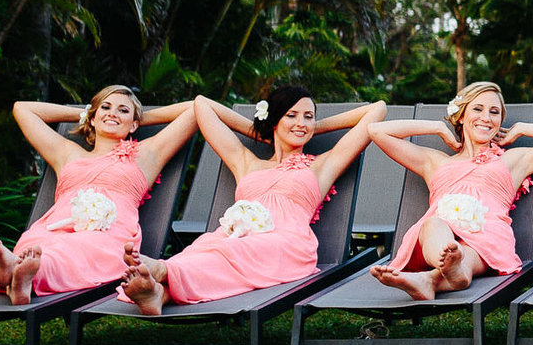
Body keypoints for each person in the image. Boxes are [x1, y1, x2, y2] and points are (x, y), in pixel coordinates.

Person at [0, 85, 200, 306]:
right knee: (39, 243)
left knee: (70, 251)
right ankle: (16, 273)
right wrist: (86, 113)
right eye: (105, 107)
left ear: (135, 124)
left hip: (107, 233)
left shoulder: (146, 155)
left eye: (122, 110)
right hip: (54, 227)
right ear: (92, 115)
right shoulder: (67, 153)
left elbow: (195, 108)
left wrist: (138, 116)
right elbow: (23, 109)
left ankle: (18, 273)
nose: (112, 113)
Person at [118, 88, 383, 315]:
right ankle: (158, 295)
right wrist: (264, 129)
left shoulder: (323, 166)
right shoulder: (246, 163)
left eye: (308, 117)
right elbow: (202, 104)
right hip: (234, 238)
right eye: (291, 115)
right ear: (275, 119)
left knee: (228, 251)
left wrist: (308, 128)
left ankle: (162, 269)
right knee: (207, 247)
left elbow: (377, 111)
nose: (301, 122)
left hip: (286, 244)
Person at [365, 82, 533, 301]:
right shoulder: (435, 162)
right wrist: (436, 128)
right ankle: (443, 271)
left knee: (469, 249)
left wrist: (521, 129)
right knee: (432, 225)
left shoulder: (514, 160)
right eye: (477, 109)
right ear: (461, 116)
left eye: (494, 112)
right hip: (438, 235)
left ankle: (438, 275)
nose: (486, 118)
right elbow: (376, 131)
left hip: (487, 234)